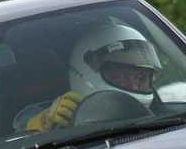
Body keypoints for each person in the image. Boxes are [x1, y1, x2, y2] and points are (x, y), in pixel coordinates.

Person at [14, 22, 163, 133]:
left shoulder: (165, 120)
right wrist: (43, 121)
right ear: (84, 72)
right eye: (122, 75)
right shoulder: (59, 111)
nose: (134, 85)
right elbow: (19, 125)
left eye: (140, 78)